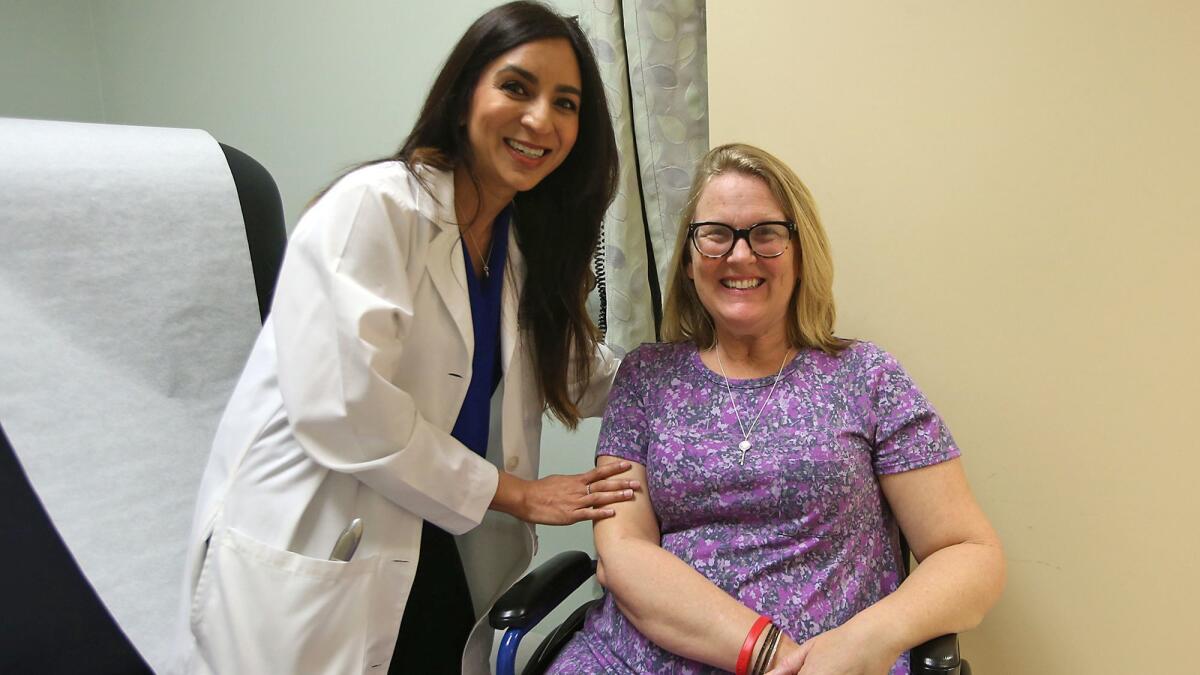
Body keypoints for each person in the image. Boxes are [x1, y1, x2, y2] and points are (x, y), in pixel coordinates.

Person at [173, 3, 640, 674]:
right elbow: (347, 408)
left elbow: (577, 372)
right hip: (323, 536)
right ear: (462, 97)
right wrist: (522, 494)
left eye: (565, 103)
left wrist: (702, 376)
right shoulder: (377, 208)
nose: (541, 119)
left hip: (434, 542)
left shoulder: (516, 249)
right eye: (517, 87)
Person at [547, 143, 1005, 675]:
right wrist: (768, 654)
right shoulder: (646, 376)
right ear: (691, 263)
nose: (740, 256)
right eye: (716, 235)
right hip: (634, 660)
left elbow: (970, 553)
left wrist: (868, 641)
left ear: (800, 251)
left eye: (766, 234)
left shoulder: (866, 375)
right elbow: (622, 551)